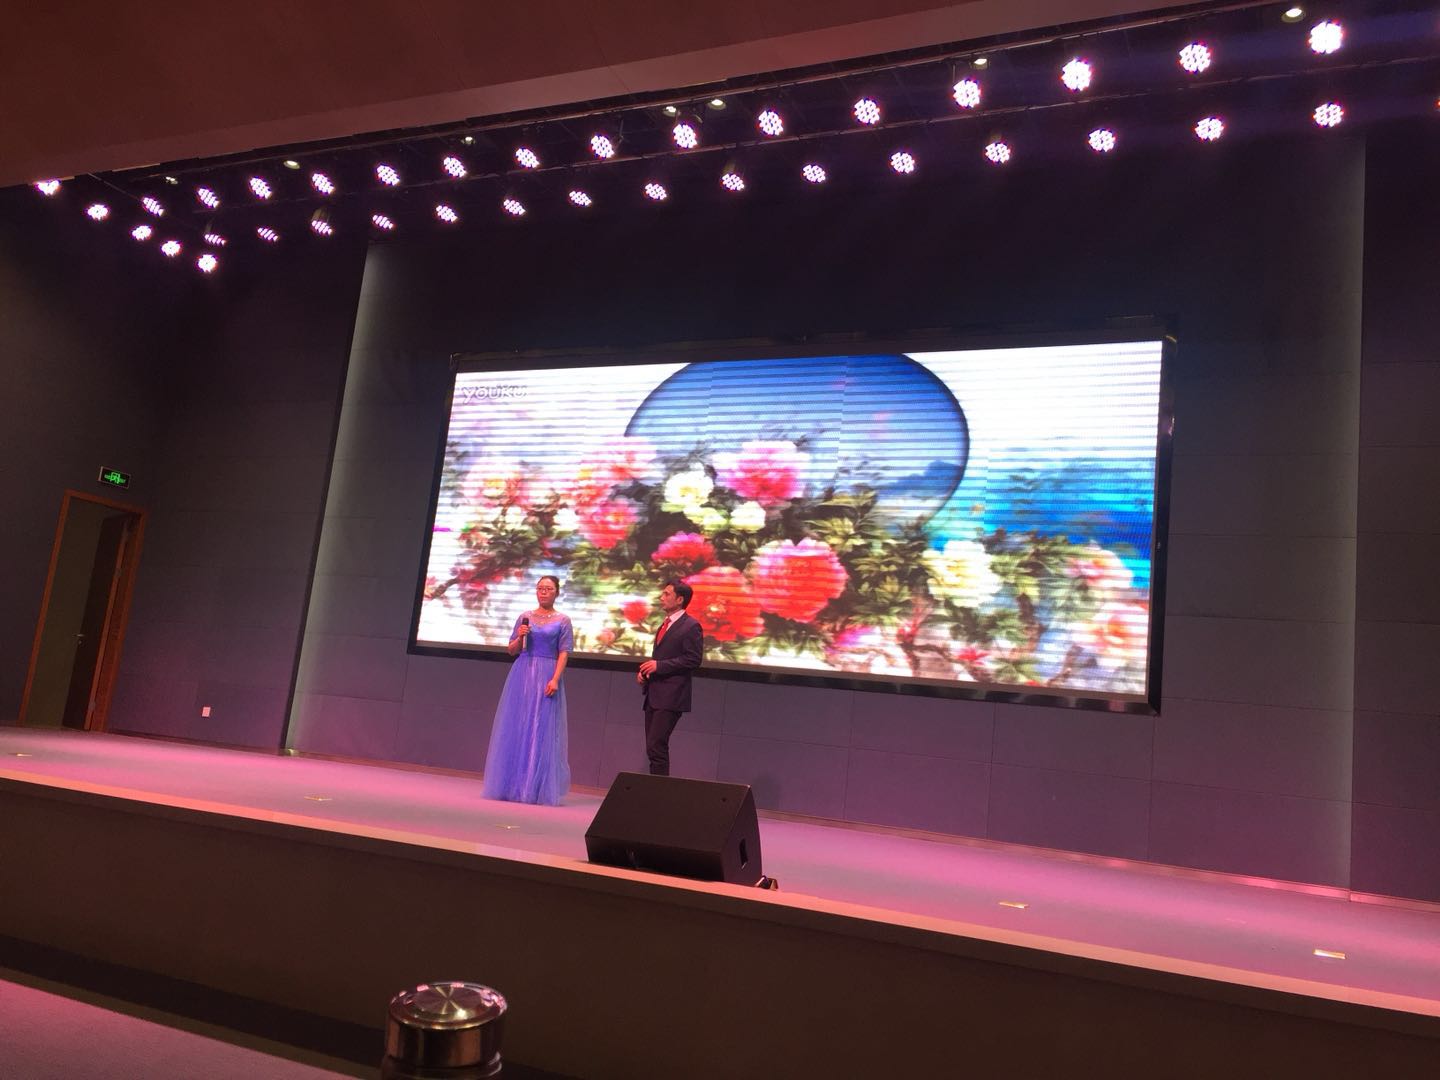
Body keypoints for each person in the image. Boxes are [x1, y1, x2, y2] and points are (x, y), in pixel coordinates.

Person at [482, 575, 571, 805]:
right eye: (540, 588)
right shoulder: (525, 617)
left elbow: (564, 652)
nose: (544, 592)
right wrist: (520, 636)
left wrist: (555, 679)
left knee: (542, 728)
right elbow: (512, 650)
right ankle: (512, 784)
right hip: (523, 673)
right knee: (518, 726)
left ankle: (535, 787)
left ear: (556, 592)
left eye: (548, 588)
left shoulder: (563, 620)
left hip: (547, 673)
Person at [637, 580, 704, 776]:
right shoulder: (664, 625)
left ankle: (659, 791)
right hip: (654, 694)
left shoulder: (691, 626)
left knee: (656, 745)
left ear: (680, 599)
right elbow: (661, 658)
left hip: (672, 695)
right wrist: (646, 673)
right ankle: (656, 788)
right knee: (652, 748)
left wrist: (659, 666)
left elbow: (693, 659)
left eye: (667, 594)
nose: (661, 598)